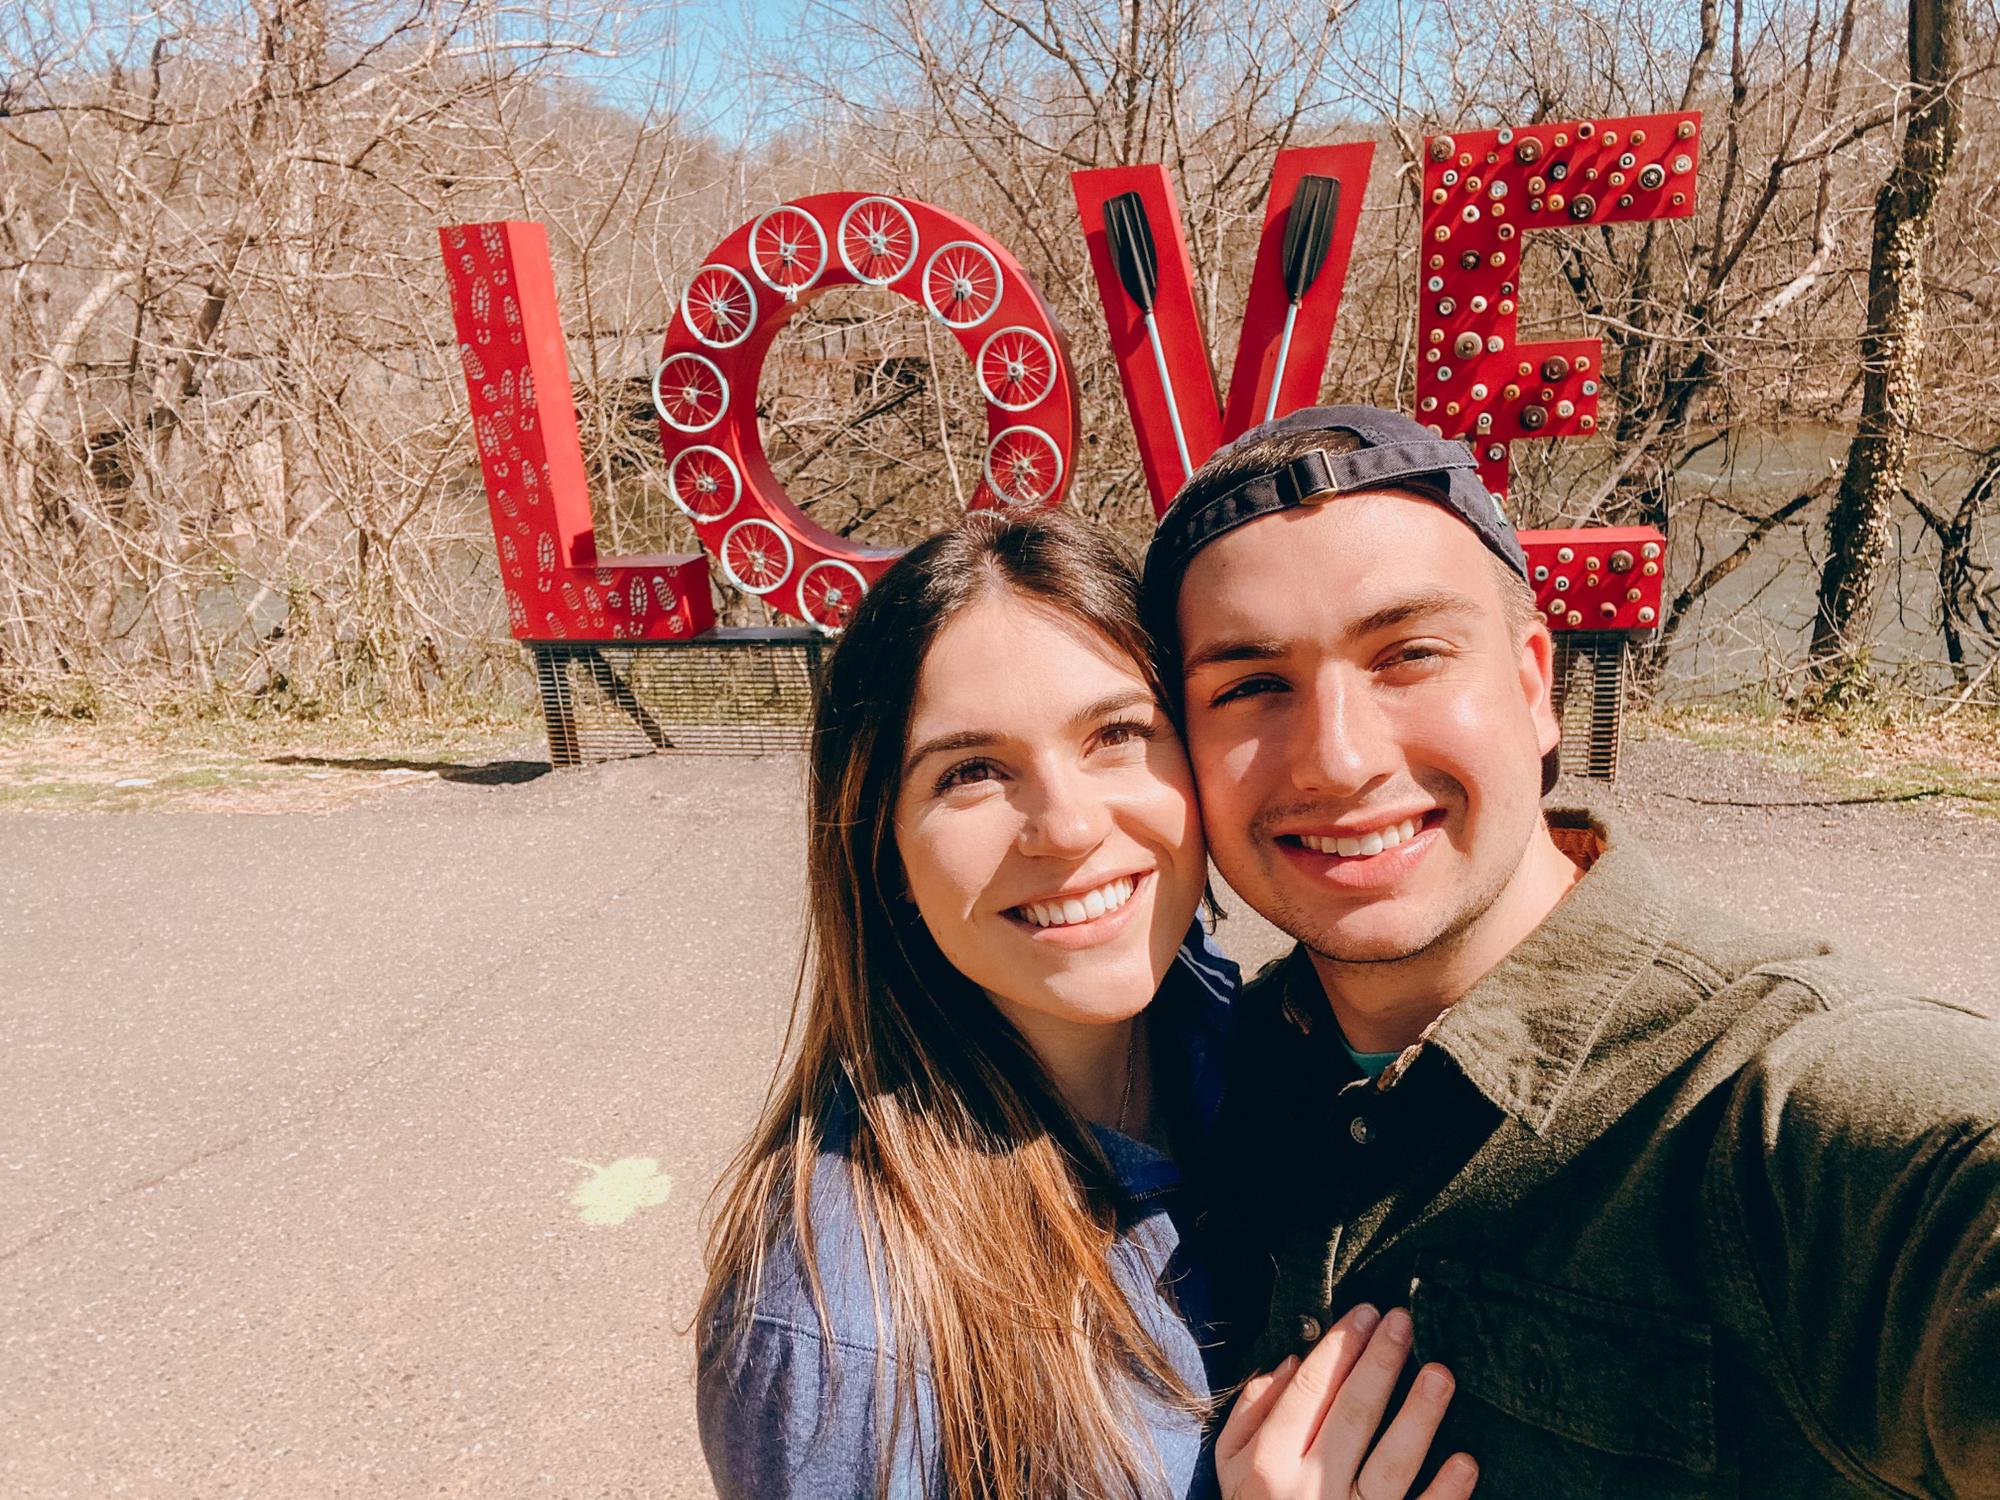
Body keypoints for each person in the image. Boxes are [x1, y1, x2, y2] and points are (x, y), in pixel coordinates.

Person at [1140, 403, 2000, 1498]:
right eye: (1250, 685)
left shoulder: (1783, 1115)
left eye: (1406, 654)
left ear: (1533, 683)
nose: (1337, 759)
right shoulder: (1202, 1085)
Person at [696, 510, 1480, 1499]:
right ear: (882, 851)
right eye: (972, 772)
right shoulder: (841, 1327)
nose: (1065, 828)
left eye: (1116, 734)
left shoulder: (1253, 1034)